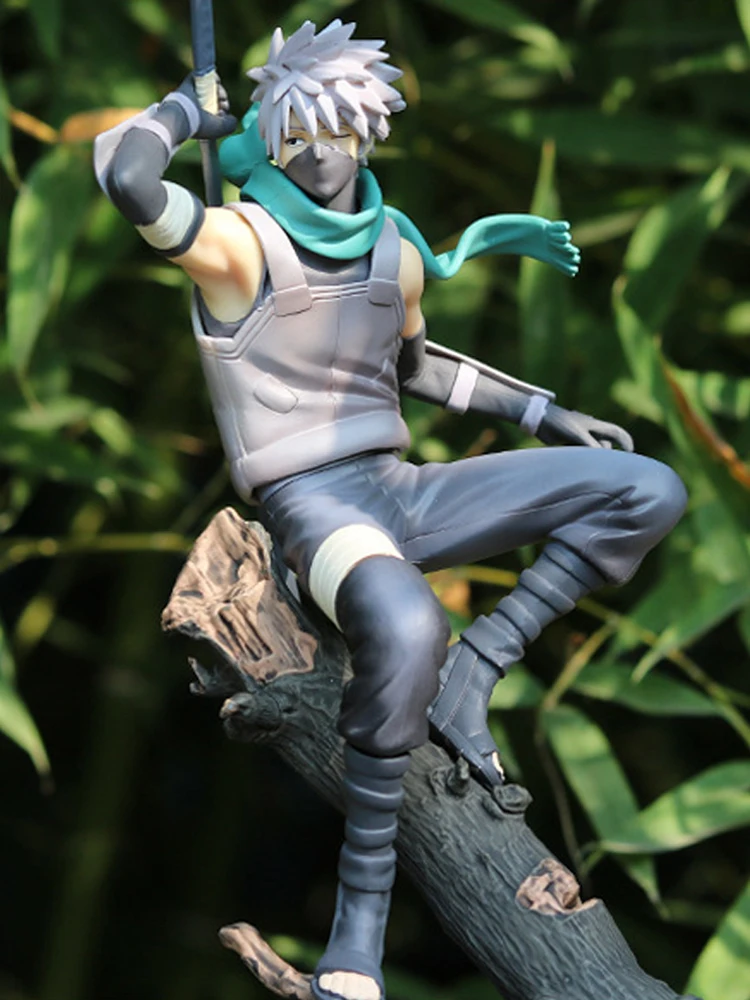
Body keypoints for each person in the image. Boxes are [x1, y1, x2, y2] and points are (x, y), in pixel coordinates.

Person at [94, 19, 687, 1000]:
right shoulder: (239, 245)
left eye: (341, 130)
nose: (322, 153)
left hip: (401, 488)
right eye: (300, 133)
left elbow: (418, 367)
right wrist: (182, 114)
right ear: (274, 139)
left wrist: (544, 412)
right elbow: (124, 174)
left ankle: (476, 674)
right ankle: (357, 933)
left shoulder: (393, 244)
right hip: (313, 507)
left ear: (369, 134)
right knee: (410, 624)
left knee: (646, 489)